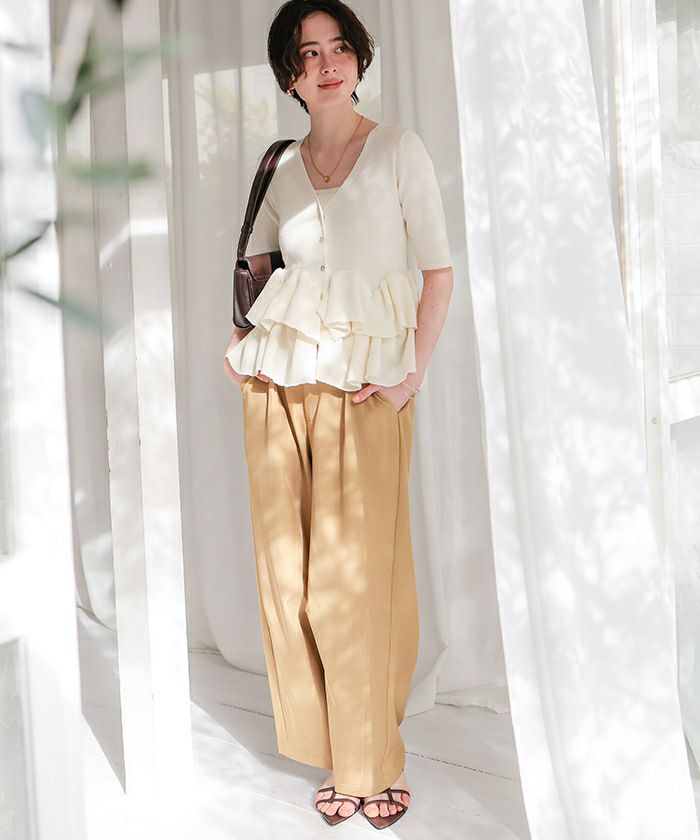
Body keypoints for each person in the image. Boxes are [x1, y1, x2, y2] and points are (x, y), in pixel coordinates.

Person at [223, 0, 453, 829]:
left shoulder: (397, 149)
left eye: (339, 48)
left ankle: (371, 762)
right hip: (280, 389)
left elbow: (437, 272)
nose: (326, 64)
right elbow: (261, 265)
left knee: (358, 580)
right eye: (308, 53)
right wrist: (240, 348)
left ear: (359, 58)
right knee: (291, 576)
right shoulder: (281, 166)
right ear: (289, 75)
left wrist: (410, 377)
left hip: (368, 389)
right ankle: (336, 751)